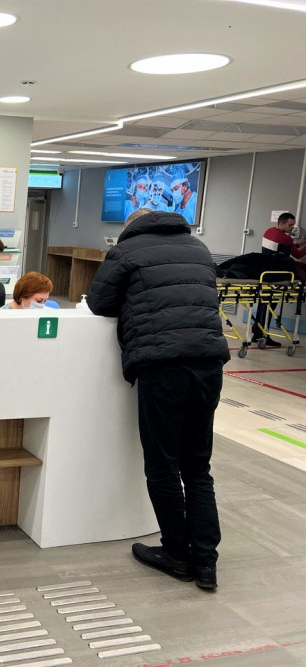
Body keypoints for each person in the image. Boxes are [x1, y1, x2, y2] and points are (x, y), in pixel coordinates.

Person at [86, 208, 230, 591]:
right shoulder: (199, 248)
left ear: (129, 227)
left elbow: (99, 304)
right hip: (209, 362)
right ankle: (206, 563)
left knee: (163, 466)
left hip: (162, 364)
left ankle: (176, 555)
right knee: (198, 468)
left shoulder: (125, 251)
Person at [253, 212, 306, 345]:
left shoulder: (269, 232)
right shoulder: (285, 238)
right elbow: (298, 255)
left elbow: (283, 248)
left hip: (265, 272)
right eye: (290, 225)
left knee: (263, 303)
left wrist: (299, 243)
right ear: (281, 223)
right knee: (270, 305)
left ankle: (257, 332)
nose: (292, 228)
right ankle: (263, 334)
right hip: (277, 276)